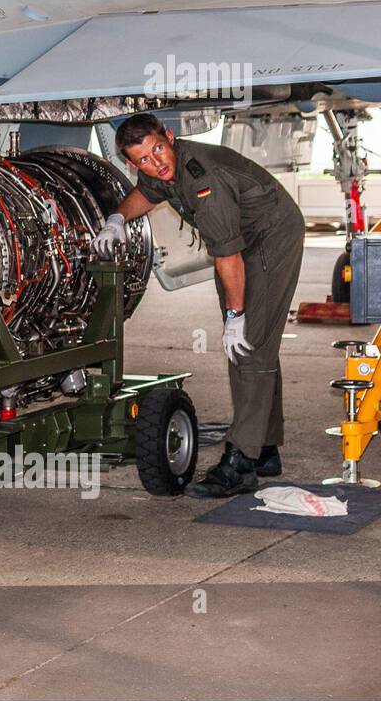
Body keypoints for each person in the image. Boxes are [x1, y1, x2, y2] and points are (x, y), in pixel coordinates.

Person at [93, 113, 305, 498]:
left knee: (249, 343)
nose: (155, 163)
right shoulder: (161, 172)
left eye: (158, 149)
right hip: (245, 239)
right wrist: (116, 218)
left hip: (272, 235)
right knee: (248, 346)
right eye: (142, 159)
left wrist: (235, 317)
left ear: (170, 137)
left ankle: (242, 462)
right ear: (132, 163)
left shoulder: (203, 179)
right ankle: (264, 450)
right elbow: (147, 192)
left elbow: (228, 258)